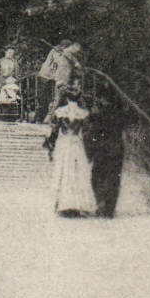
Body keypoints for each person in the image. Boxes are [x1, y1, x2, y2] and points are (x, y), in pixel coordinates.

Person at [43, 88, 98, 217]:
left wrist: (50, 145)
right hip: (77, 143)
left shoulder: (60, 112)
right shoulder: (82, 113)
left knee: (63, 171)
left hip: (64, 143)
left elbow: (54, 129)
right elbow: (87, 131)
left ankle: (63, 204)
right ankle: (79, 204)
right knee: (78, 172)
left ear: (66, 98)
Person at [84, 92, 127, 218]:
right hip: (117, 149)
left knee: (97, 177)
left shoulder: (98, 115)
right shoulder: (120, 115)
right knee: (114, 178)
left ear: (104, 101)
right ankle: (110, 208)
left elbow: (93, 133)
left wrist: (90, 151)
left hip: (101, 150)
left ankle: (101, 203)